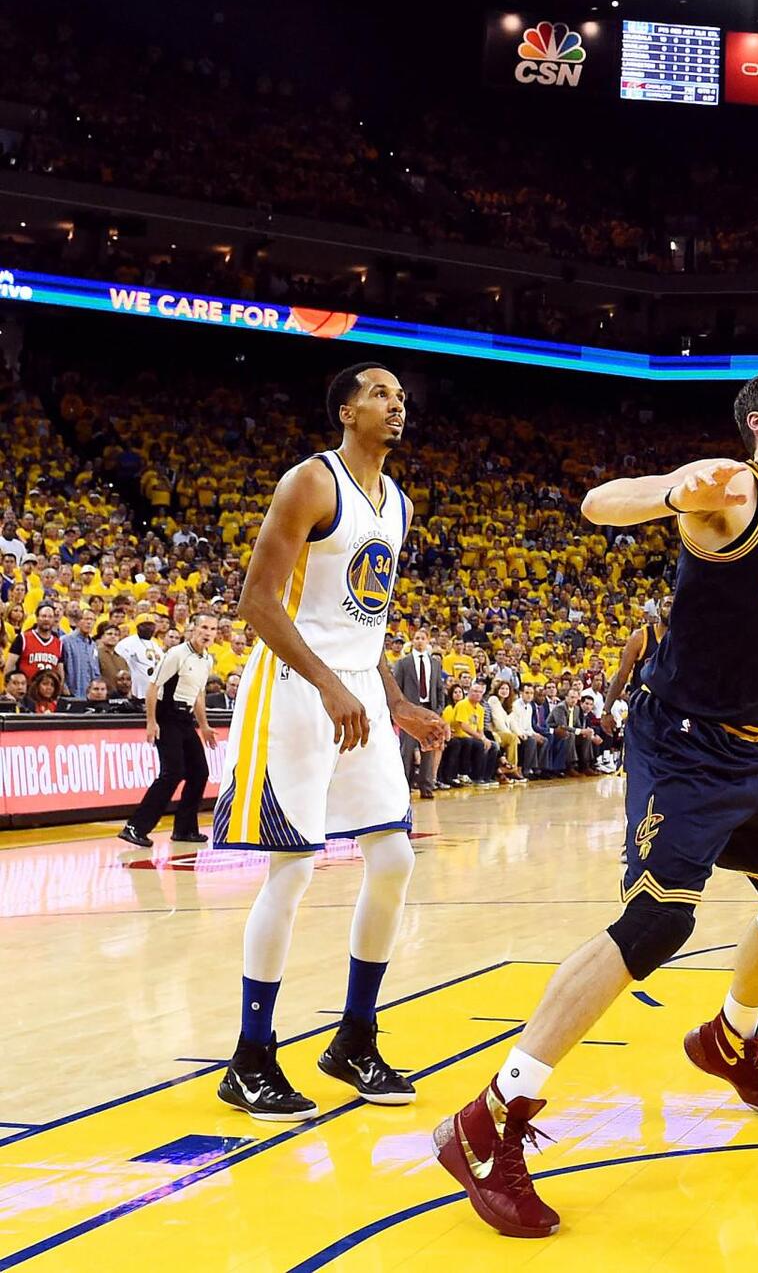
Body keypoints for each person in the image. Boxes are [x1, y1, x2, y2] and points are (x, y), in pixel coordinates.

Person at [437, 368, 758, 1240]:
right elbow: (600, 502)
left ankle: (729, 1038)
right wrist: (674, 491)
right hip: (683, 741)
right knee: (657, 923)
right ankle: (488, 1119)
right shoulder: (731, 489)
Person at [208, 363, 450, 1121]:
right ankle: (250, 1058)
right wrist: (326, 684)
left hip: (356, 690)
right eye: (380, 394)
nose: (396, 405)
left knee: (395, 858)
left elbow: (365, 622)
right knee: (292, 870)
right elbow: (256, 601)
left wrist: (396, 701)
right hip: (292, 684)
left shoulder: (397, 503)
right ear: (346, 410)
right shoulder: (311, 482)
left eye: (401, 397)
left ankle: (354, 1038)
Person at [119, 611, 221, 848]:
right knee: (172, 773)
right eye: (204, 628)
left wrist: (204, 725)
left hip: (185, 719)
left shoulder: (207, 659)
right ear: (192, 629)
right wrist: (151, 721)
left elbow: (198, 695)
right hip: (166, 715)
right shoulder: (177, 654)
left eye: (212, 629)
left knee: (199, 772)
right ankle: (135, 827)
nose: (208, 633)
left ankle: (184, 829)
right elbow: (153, 687)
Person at [394, 627, 447, 799]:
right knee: (407, 751)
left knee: (429, 750)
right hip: (410, 712)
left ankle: (426, 787)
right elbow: (397, 689)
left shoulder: (435, 664)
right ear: (412, 641)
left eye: (422, 638)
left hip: (429, 710)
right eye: (416, 638)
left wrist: (438, 710)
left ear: (427, 640)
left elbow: (439, 689)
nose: (419, 641)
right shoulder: (403, 663)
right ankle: (404, 787)